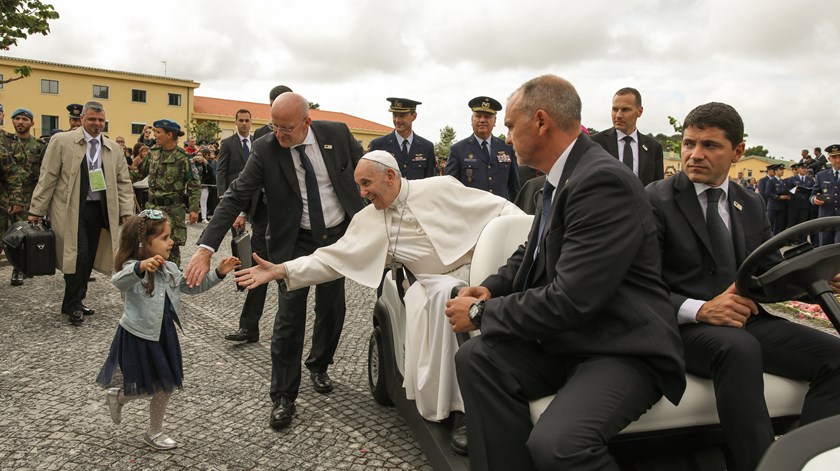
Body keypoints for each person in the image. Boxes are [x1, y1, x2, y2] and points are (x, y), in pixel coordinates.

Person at [446, 75, 685, 470]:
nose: (506, 137)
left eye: (509, 125)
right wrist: (489, 289)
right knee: (477, 359)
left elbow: (572, 299)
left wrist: (480, 315)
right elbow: (533, 249)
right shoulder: (560, 178)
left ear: (541, 121)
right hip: (573, 338)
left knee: (560, 446)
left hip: (621, 347)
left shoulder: (600, 180)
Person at [233, 150, 523, 453]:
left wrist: (538, 236)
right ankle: (464, 411)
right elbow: (331, 260)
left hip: (479, 273)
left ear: (390, 176)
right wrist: (281, 270)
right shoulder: (370, 219)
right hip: (431, 285)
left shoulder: (441, 187)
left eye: (366, 183)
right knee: (448, 296)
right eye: (358, 186)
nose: (362, 193)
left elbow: (501, 209)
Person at [647, 102, 840, 471]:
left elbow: (767, 273)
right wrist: (701, 309)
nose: (694, 155)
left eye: (710, 146)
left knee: (836, 357)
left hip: (741, 320)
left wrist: (818, 278)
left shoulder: (749, 202)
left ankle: (806, 458)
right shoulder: (654, 200)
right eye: (689, 143)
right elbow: (639, 285)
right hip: (680, 326)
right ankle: (764, 465)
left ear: (737, 151)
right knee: (739, 348)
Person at [184, 92, 365, 431]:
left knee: (331, 307)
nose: (279, 134)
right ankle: (283, 396)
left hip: (338, 237)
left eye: (287, 129)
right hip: (294, 240)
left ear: (306, 123)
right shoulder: (266, 148)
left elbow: (365, 171)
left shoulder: (337, 134)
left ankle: (319, 364)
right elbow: (236, 194)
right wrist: (205, 247)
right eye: (274, 126)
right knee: (288, 317)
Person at [96, 210, 239, 451]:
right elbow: (118, 280)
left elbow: (192, 287)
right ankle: (119, 397)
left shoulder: (170, 268)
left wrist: (218, 273)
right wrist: (141, 266)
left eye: (169, 236)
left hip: (164, 333)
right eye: (164, 238)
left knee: (166, 384)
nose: (171, 242)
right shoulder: (133, 267)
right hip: (138, 335)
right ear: (144, 242)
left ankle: (154, 432)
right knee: (144, 386)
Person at [29, 101, 136, 324]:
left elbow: (123, 182)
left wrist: (127, 212)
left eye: (100, 120)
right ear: (82, 120)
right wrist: (37, 209)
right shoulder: (62, 141)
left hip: (100, 209)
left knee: (90, 256)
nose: (96, 124)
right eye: (92, 120)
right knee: (78, 254)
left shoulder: (113, 149)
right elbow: (47, 176)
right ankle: (74, 304)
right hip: (71, 209)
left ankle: (74, 300)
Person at [217, 108, 268, 343]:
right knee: (254, 266)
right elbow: (223, 174)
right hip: (256, 212)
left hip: (285, 220)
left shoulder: (263, 138)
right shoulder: (254, 140)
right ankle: (248, 328)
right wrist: (237, 209)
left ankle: (288, 336)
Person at [130, 119, 200, 267]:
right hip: (151, 209)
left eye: (158, 132)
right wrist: (119, 177)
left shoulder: (183, 158)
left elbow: (194, 184)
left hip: (173, 211)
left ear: (169, 135)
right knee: (148, 245)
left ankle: (171, 281)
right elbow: (138, 174)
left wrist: (194, 209)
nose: (155, 135)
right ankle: (149, 281)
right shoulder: (153, 154)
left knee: (171, 248)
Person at [445, 96, 521, 201]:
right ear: (472, 120)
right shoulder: (458, 150)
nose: (482, 120)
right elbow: (449, 188)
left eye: (487, 117)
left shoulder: (507, 147)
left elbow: (514, 187)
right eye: (478, 116)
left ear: (494, 121)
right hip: (471, 212)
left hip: (501, 212)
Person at [1, 108, 45, 286]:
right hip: (6, 195)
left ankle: (18, 268)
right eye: (17, 118)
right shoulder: (6, 141)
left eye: (24, 119)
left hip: (29, 196)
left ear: (32, 123)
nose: (20, 122)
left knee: (22, 234)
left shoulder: (39, 146)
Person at [591, 87, 665, 186]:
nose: (618, 115)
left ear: (639, 111)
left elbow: (657, 187)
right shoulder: (595, 143)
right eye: (615, 109)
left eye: (625, 110)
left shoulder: (653, 148)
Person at [368, 97, 436, 179]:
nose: (397, 120)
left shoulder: (427, 147)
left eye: (402, 116)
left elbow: (430, 180)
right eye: (394, 115)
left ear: (414, 116)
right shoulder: (378, 145)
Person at [811, 144, 840, 245]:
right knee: (825, 247)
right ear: (829, 159)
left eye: (839, 156)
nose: (838, 160)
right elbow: (813, 194)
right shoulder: (821, 175)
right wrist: (814, 199)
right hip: (825, 219)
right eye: (834, 157)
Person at [785, 162, 815, 243]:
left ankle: (802, 240)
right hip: (794, 204)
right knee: (792, 223)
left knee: (803, 223)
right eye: (802, 168)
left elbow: (813, 190)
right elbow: (787, 190)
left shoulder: (810, 180)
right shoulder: (792, 179)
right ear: (798, 169)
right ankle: (791, 240)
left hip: (805, 205)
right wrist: (795, 190)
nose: (804, 170)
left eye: (805, 168)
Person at [193, 146, 217, 223]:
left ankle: (204, 218)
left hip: (204, 185)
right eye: (198, 155)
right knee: (195, 203)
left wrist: (205, 162)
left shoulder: (206, 164)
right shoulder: (193, 164)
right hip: (195, 185)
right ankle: (195, 218)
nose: (199, 157)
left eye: (201, 156)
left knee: (203, 202)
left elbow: (211, 172)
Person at [766, 163, 790, 234]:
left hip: (781, 207)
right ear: (775, 171)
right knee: (770, 224)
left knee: (779, 225)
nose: (782, 171)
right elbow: (768, 193)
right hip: (773, 206)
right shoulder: (771, 181)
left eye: (783, 170)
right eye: (780, 169)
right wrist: (779, 197)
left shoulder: (783, 181)